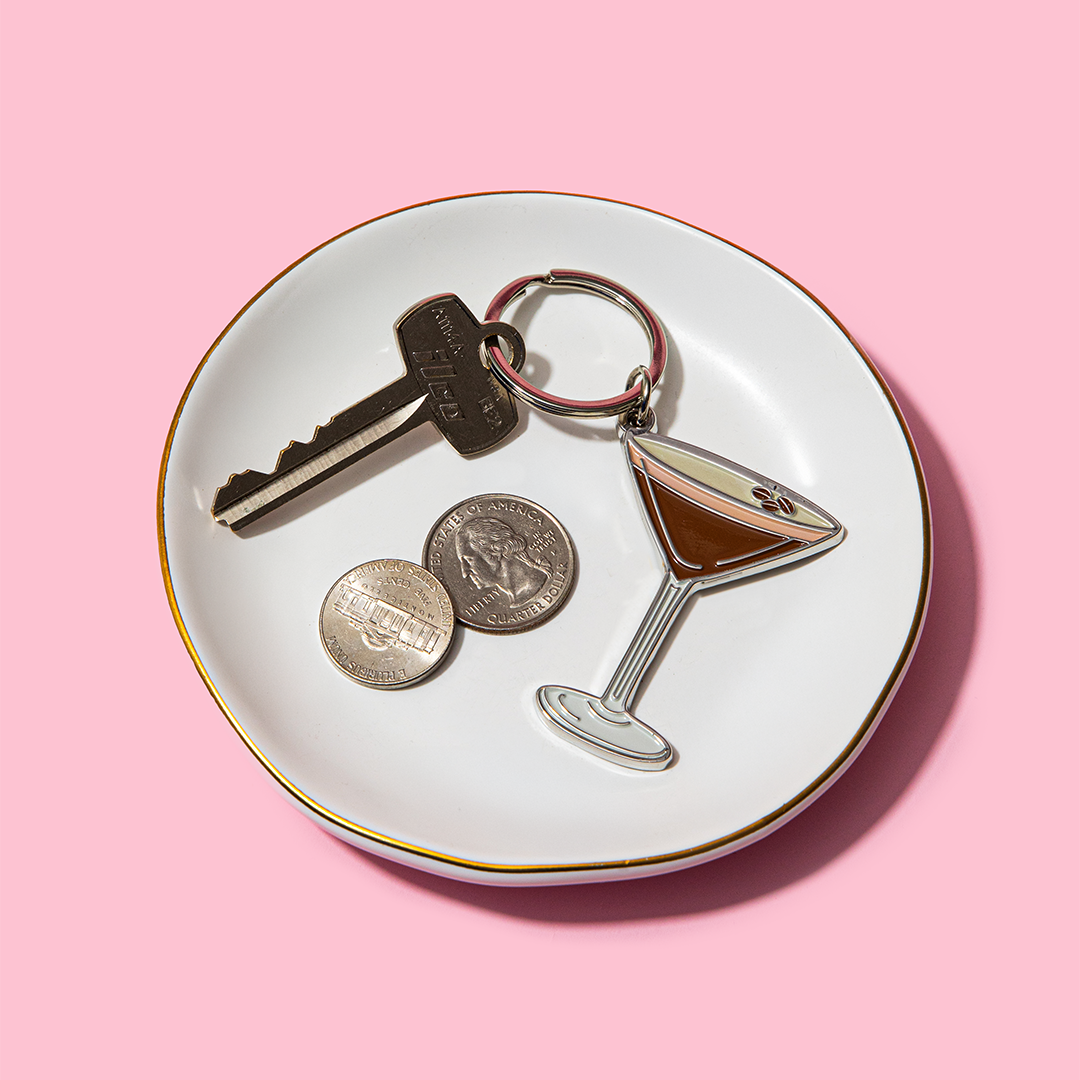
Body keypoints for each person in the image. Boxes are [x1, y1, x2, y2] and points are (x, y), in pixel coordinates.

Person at [454, 517, 551, 608]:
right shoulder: (516, 600)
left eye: (469, 560)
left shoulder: (535, 584)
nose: (464, 573)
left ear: (496, 551)